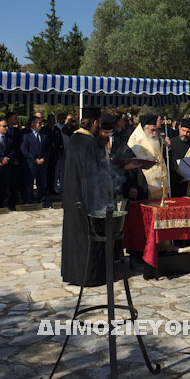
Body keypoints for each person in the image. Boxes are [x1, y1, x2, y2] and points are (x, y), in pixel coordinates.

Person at [60, 108, 111, 286]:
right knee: (87, 238)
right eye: (99, 123)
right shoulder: (90, 144)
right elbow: (95, 176)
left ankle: (73, 274)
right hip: (88, 200)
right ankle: (90, 276)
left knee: (74, 238)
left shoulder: (74, 139)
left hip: (72, 197)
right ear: (95, 122)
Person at [169, 118, 190, 198]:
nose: (185, 134)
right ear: (179, 128)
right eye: (183, 130)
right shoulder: (171, 143)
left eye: (188, 132)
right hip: (175, 183)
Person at [21, 116, 50, 205]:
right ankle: (28, 200)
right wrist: (34, 159)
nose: (41, 125)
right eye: (39, 123)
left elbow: (48, 149)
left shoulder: (44, 135)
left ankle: (42, 200)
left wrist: (44, 158)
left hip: (42, 163)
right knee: (29, 183)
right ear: (33, 123)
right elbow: (24, 150)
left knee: (42, 183)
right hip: (31, 163)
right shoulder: (26, 135)